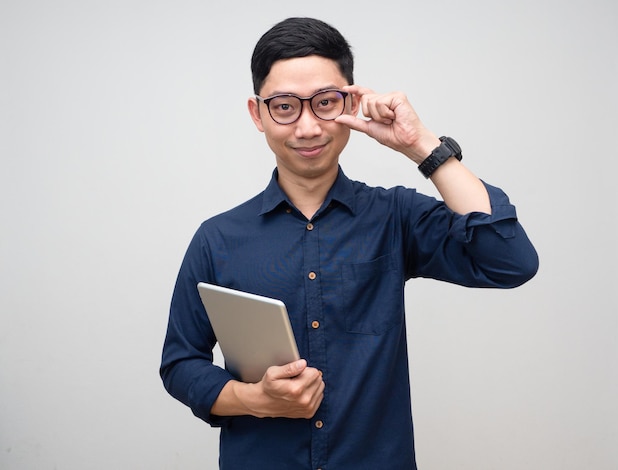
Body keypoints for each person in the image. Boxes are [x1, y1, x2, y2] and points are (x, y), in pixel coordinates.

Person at [160, 17, 539, 469]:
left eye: (324, 103)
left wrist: (421, 146)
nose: (307, 127)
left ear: (351, 101)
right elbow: (181, 363)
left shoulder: (395, 217)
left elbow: (509, 260)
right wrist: (254, 398)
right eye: (284, 107)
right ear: (257, 113)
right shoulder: (218, 237)